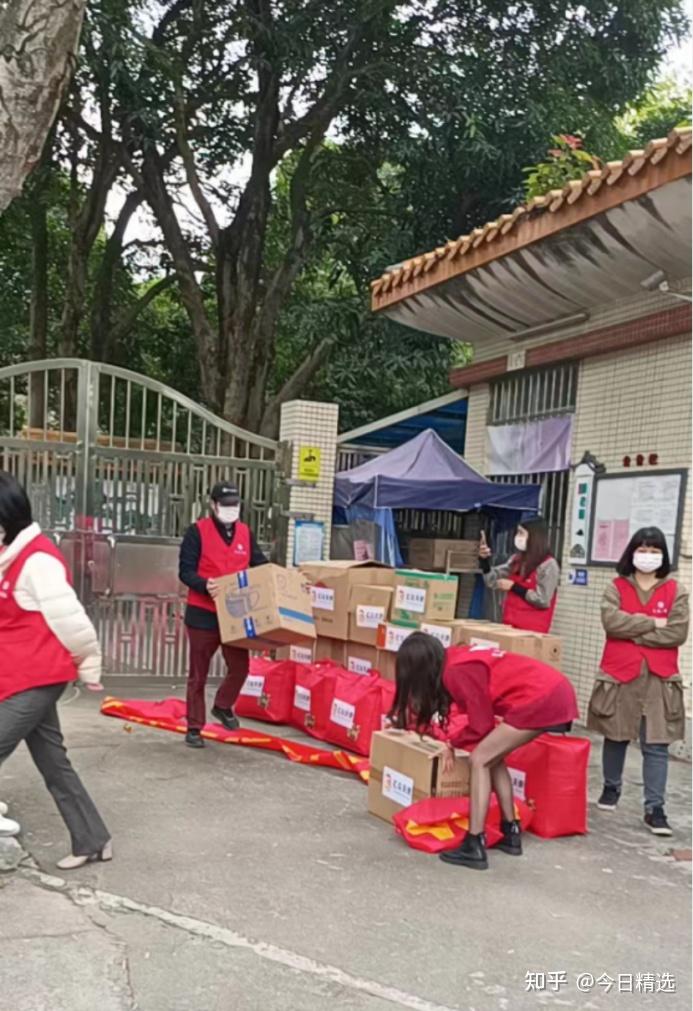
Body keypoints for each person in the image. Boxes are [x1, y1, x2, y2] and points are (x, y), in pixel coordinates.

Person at [390, 632, 578, 871]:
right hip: (553, 692)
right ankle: (510, 832)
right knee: (492, 756)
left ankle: (474, 843)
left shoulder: (456, 672)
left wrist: (452, 743)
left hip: (543, 698)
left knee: (479, 759)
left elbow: (481, 725)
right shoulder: (455, 659)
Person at [0, 472, 111, 869]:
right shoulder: (10, 557)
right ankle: (93, 839)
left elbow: (72, 620)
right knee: (53, 762)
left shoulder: (38, 562)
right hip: (20, 675)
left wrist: (89, 665)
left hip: (38, 679)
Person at [588, 527, 688, 836]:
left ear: (663, 555)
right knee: (615, 734)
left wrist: (633, 629)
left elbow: (677, 632)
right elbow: (611, 622)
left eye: (654, 550)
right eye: (642, 550)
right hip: (621, 672)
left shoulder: (676, 590)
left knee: (656, 744)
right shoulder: (616, 586)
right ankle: (611, 787)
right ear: (632, 552)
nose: (648, 556)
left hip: (659, 677)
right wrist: (653, 623)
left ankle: (654, 808)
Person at [178, 482, 267, 748]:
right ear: (213, 505)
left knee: (241, 667)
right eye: (225, 504)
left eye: (235, 505)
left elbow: (260, 564)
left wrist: (285, 580)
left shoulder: (245, 533)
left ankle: (223, 704)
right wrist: (204, 584)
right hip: (203, 613)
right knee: (198, 674)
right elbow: (185, 571)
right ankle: (194, 726)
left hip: (236, 614)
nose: (231, 509)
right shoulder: (197, 532)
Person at [479, 518, 559, 632]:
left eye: (521, 533)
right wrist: (484, 561)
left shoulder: (548, 565)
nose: (517, 537)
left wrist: (514, 587)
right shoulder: (517, 560)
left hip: (532, 631)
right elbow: (492, 580)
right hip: (509, 626)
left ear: (534, 537)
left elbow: (543, 600)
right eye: (517, 533)